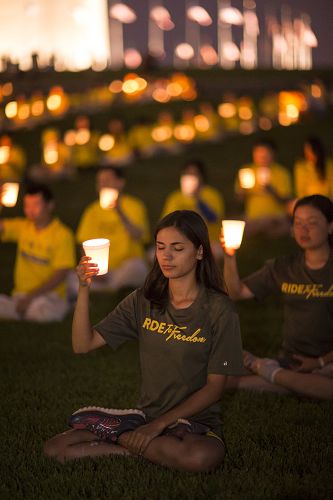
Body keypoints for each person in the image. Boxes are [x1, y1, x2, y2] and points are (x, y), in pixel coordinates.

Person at [44, 210, 244, 471]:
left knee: (200, 458)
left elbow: (215, 388)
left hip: (195, 424)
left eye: (177, 248)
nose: (166, 256)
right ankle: (136, 440)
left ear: (199, 252)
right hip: (146, 416)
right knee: (53, 449)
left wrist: (158, 427)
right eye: (161, 247)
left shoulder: (219, 310)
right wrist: (84, 288)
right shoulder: (144, 301)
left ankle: (117, 438)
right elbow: (83, 344)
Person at [221, 195, 333, 400]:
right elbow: (235, 292)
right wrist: (229, 256)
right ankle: (283, 375)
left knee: (326, 382)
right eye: (298, 223)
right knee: (222, 376)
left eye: (312, 223)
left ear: (330, 226)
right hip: (293, 359)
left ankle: (261, 367)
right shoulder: (284, 267)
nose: (303, 229)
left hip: (328, 360)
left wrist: (320, 363)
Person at [0, 183, 75, 322]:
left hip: (49, 296)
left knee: (41, 313)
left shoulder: (62, 234)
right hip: (20, 295)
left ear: (50, 205)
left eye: (36, 205)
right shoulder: (23, 227)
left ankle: (67, 303)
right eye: (27, 205)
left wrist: (30, 297)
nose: (30, 210)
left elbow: (60, 274)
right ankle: (21, 309)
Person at [75, 167, 150, 291]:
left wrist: (119, 211)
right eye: (99, 181)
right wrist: (91, 269)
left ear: (120, 182)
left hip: (126, 265)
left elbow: (138, 236)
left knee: (135, 268)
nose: (103, 185)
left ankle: (105, 288)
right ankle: (109, 287)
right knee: (73, 276)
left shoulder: (134, 206)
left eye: (107, 180)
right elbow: (84, 243)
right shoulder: (92, 211)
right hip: (101, 271)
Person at [161, 160, 225, 260]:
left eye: (194, 174)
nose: (190, 177)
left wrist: (197, 199)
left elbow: (213, 219)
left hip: (209, 241)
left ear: (202, 177)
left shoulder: (211, 194)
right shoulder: (175, 197)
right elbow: (165, 222)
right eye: (187, 174)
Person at [236, 138, 292, 237]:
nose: (262, 157)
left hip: (275, 216)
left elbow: (286, 200)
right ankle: (262, 230)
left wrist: (272, 192)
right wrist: (243, 191)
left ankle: (259, 230)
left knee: (272, 223)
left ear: (273, 154)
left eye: (266, 154)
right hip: (253, 216)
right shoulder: (247, 172)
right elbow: (239, 199)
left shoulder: (281, 173)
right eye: (258, 153)